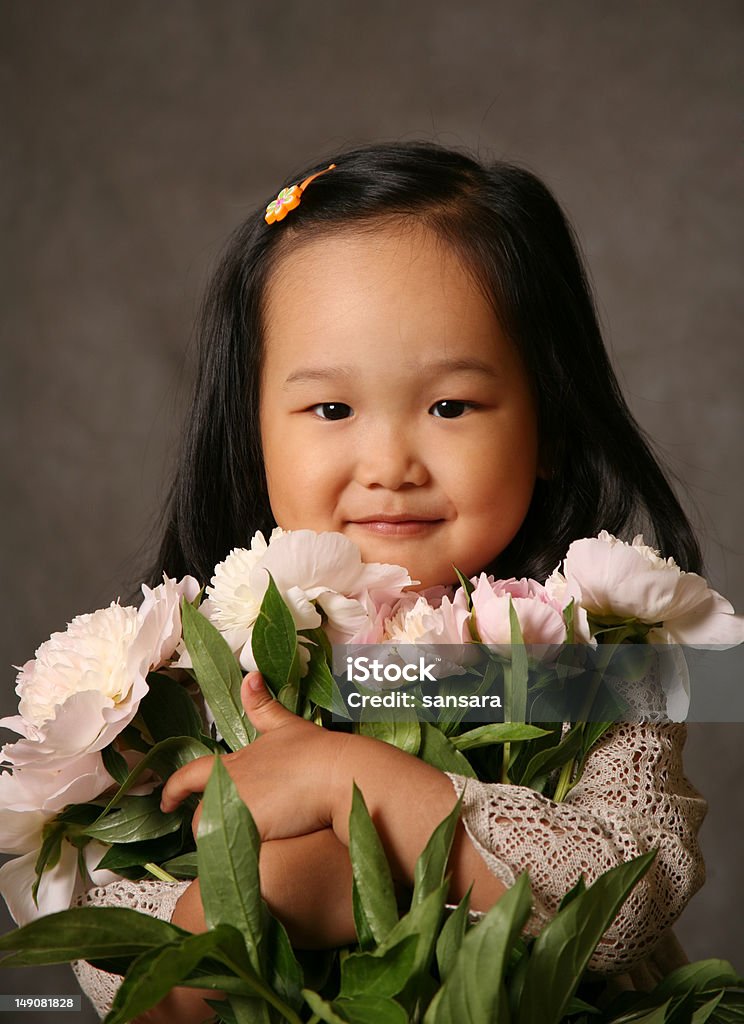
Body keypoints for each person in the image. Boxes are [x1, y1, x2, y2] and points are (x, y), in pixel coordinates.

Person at [72, 141, 707, 1021]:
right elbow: (102, 931)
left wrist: (351, 786)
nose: (388, 464)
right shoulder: (189, 661)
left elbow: (627, 900)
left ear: (552, 421)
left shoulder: (593, 657)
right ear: (251, 432)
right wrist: (260, 896)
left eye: (450, 406)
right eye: (331, 409)